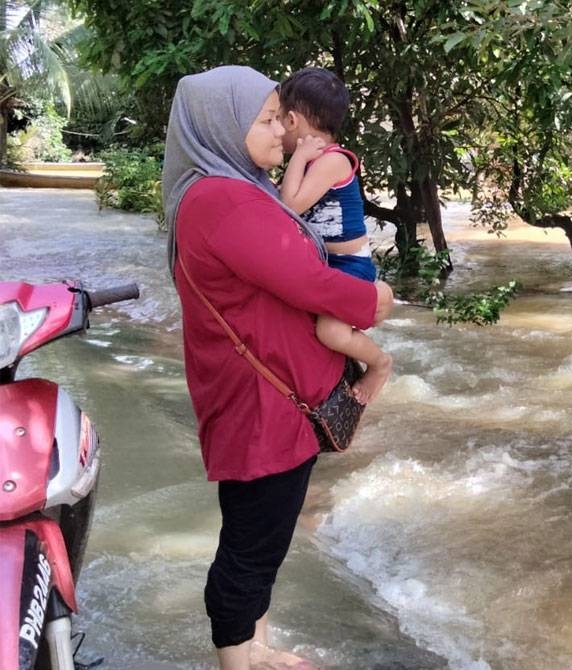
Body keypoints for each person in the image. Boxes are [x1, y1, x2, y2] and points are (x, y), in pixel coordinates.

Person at [162, 65, 394, 670]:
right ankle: (239, 658)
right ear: (220, 126)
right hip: (266, 408)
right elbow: (310, 282)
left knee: (260, 536)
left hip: (269, 403)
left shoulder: (228, 189)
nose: (278, 131)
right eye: (264, 120)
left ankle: (255, 644)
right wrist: (377, 302)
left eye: (276, 117)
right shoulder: (226, 200)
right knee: (250, 546)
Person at [278, 67, 392, 405]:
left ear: (293, 120)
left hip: (349, 265)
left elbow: (290, 205)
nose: (276, 129)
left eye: (277, 119)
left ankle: (380, 363)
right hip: (327, 263)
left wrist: (297, 158)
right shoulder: (316, 161)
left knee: (330, 331)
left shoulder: (332, 161)